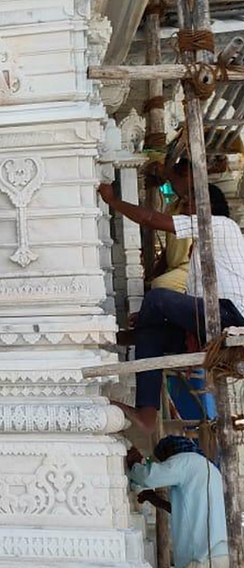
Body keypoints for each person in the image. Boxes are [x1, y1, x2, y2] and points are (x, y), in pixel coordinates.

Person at [98, 170, 244, 433]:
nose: (183, 208)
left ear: (205, 206)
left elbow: (150, 218)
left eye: (188, 202)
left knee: (157, 298)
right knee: (149, 336)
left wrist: (113, 201)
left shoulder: (220, 224)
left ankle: (131, 332)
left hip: (229, 317)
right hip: (209, 323)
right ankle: (146, 413)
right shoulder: (203, 248)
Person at [127, 436, 228, 568]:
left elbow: (149, 477)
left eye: (164, 460)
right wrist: (157, 501)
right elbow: (190, 509)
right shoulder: (209, 468)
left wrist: (134, 464)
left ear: (169, 452)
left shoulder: (184, 460)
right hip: (220, 552)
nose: (166, 463)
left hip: (201, 556)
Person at [145, 159, 193, 293]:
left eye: (174, 179)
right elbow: (171, 246)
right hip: (176, 268)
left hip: (191, 267)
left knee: (160, 285)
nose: (172, 184)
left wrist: (113, 201)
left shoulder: (195, 205)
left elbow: (149, 219)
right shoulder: (174, 206)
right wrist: (156, 271)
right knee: (153, 285)